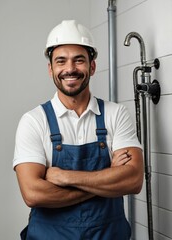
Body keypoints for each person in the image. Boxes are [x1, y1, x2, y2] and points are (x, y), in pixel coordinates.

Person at [13, 20, 144, 240]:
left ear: (92, 66)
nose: (70, 69)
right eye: (61, 61)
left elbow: (133, 181)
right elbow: (33, 194)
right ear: (51, 69)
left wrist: (63, 176)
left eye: (79, 60)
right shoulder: (34, 121)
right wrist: (107, 179)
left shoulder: (116, 114)